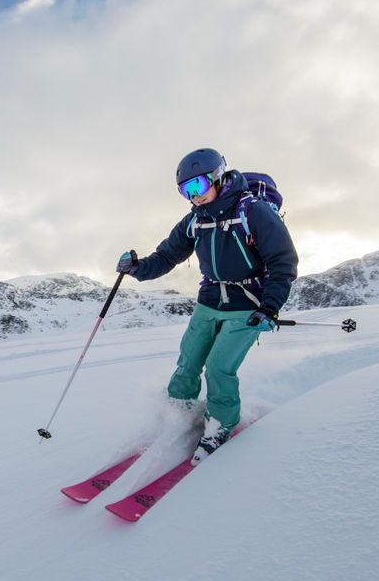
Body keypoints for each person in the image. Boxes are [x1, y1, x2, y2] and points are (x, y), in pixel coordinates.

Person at [117, 148, 298, 464]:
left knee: (219, 367)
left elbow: (283, 261)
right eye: (185, 190)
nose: (193, 196)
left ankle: (220, 424)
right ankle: (175, 414)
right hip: (210, 299)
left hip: (248, 304)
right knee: (188, 362)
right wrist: (137, 268)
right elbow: (167, 256)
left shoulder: (252, 211)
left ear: (218, 177)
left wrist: (270, 307)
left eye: (197, 186)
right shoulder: (195, 220)